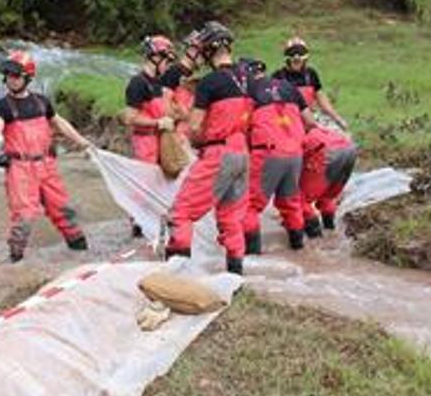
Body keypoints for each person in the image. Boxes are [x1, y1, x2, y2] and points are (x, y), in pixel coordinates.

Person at [0, 50, 92, 262]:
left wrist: (83, 143)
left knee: (64, 211)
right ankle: (14, 263)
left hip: (47, 165)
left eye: (16, 75)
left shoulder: (42, 102)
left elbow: (59, 123)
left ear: (27, 77)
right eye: (8, 75)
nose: (11, 80)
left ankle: (82, 256)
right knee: (23, 218)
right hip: (20, 168)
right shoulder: (2, 106)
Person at [165, 21, 250, 274]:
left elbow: (194, 124)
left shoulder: (211, 82)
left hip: (218, 153)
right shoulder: (245, 78)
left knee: (180, 213)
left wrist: (177, 116)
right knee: (231, 218)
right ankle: (236, 276)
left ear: (209, 50)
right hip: (242, 154)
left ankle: (175, 278)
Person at [241, 58, 316, 254]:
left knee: (249, 205)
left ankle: (252, 259)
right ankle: (300, 251)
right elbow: (309, 120)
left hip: (267, 151)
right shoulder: (288, 86)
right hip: (295, 152)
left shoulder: (247, 92)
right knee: (290, 202)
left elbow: (241, 125)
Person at [122, 35, 180, 237]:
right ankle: (138, 229)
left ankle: (156, 227)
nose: (168, 65)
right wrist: (157, 123)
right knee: (143, 189)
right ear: (155, 58)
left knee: (162, 185)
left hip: (160, 141)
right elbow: (129, 118)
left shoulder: (157, 83)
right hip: (145, 143)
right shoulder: (138, 84)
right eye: (167, 60)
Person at [273, 36, 347, 130]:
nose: (296, 57)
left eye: (300, 53)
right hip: (289, 121)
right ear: (287, 58)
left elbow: (322, 100)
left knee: (336, 133)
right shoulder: (278, 77)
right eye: (293, 53)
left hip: (311, 118)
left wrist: (337, 119)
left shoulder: (311, 74)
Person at [299, 125, 357, 237]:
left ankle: (315, 239)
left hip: (325, 150)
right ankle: (330, 230)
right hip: (349, 149)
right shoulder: (308, 125)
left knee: (300, 199)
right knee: (327, 196)